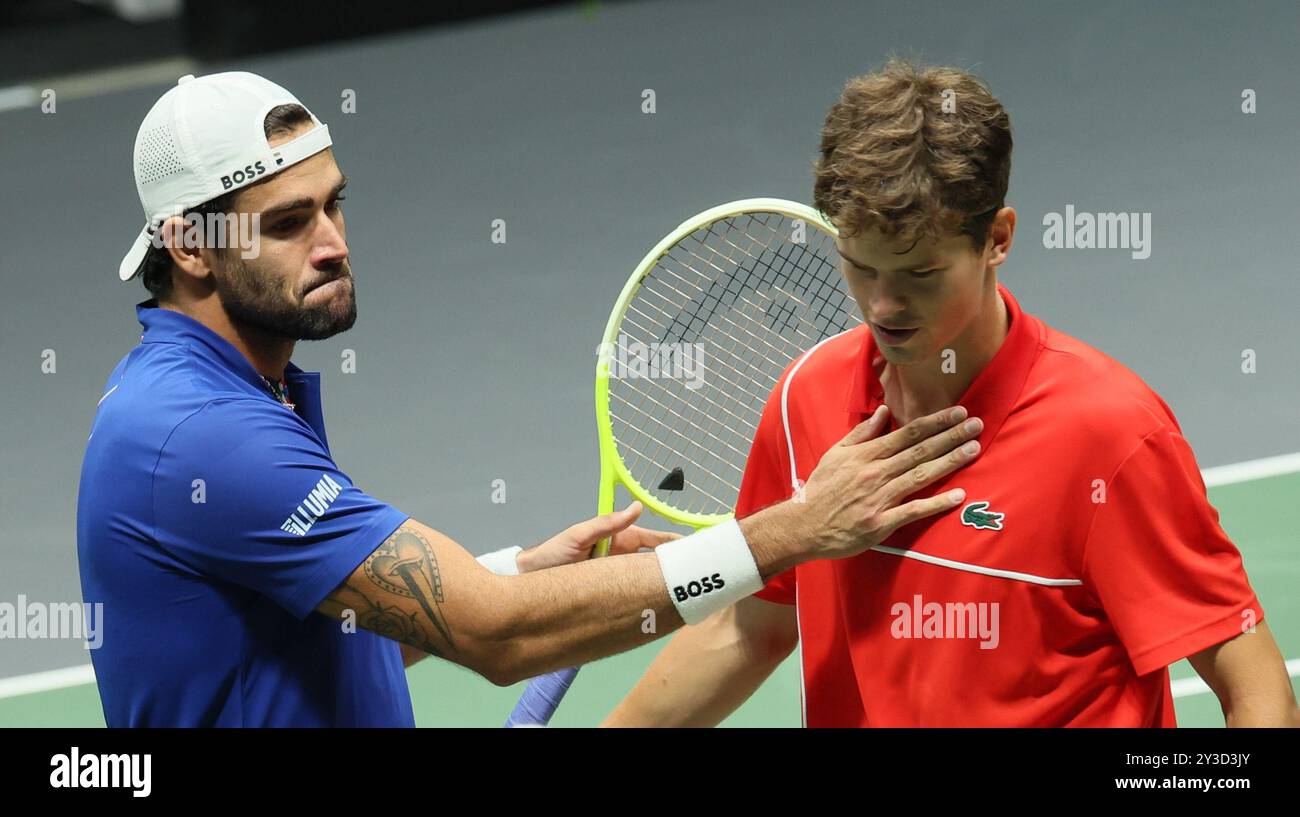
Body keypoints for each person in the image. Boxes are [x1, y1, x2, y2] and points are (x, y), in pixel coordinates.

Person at [76, 71, 982, 726]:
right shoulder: (202, 436)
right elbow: (495, 639)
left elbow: (316, 633)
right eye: (286, 223)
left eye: (333, 205)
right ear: (189, 245)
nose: (332, 244)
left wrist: (522, 572)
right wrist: (791, 531)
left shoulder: (225, 392)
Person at [604, 59, 1299, 728]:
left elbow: (1258, 690)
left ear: (996, 239)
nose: (882, 305)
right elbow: (751, 627)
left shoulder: (1108, 436)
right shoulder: (805, 401)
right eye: (858, 265)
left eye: (918, 273)